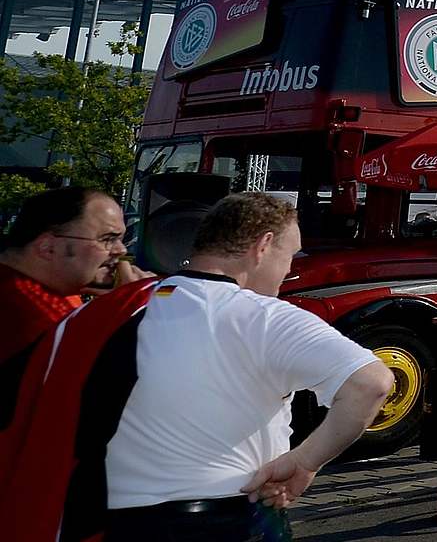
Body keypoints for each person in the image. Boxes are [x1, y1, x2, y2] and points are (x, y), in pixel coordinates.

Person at [3, 192, 394, 541]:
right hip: (229, 517)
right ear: (264, 245)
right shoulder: (267, 316)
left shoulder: (108, 312)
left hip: (113, 519)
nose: (289, 271)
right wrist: (305, 462)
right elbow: (371, 383)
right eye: (290, 256)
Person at [0, 187, 152, 421]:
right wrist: (133, 307)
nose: (121, 251)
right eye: (108, 239)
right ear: (47, 247)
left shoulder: (47, 290)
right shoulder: (30, 313)